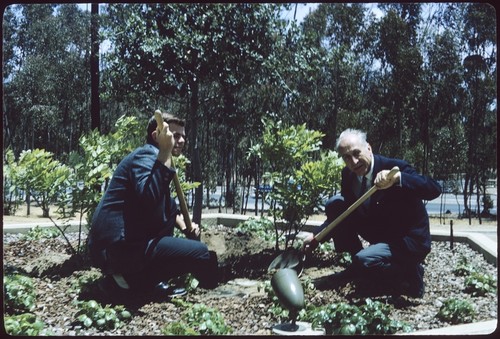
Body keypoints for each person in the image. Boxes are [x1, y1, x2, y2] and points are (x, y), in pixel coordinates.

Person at [88, 111, 219, 302]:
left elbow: (165, 203)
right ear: (157, 136)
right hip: (118, 250)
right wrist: (165, 152)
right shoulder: (146, 155)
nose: (181, 140)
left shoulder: (155, 158)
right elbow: (148, 198)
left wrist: (184, 226)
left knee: (187, 245)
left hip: (122, 247)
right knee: (200, 254)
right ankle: (126, 280)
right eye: (175, 135)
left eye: (183, 135)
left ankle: (137, 281)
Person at [303, 128, 441, 298]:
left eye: (356, 153)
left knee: (366, 261)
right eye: (347, 157)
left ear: (368, 147)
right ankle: (358, 265)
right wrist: (317, 236)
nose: (353, 162)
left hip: (408, 241)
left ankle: (410, 274)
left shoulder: (394, 168)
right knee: (335, 204)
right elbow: (345, 213)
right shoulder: (348, 175)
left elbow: (434, 189)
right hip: (380, 234)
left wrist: (398, 178)